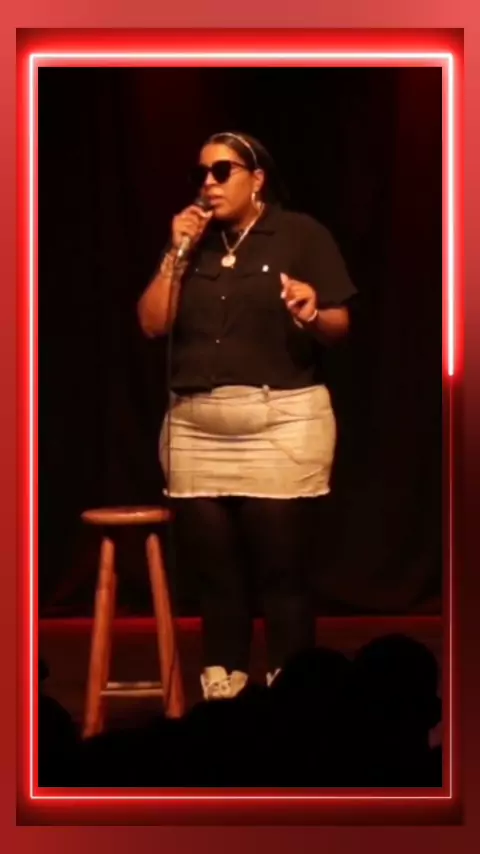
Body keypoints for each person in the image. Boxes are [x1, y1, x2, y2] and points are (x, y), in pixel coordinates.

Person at [138, 131, 357, 700]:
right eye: (201, 174)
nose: (208, 184)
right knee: (216, 577)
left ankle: (293, 695)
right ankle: (225, 692)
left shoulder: (300, 234)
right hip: (196, 426)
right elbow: (153, 323)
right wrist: (175, 255)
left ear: (256, 179)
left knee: (282, 572)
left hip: (280, 422)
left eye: (222, 171)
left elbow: (338, 326)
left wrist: (312, 311)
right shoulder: (193, 246)